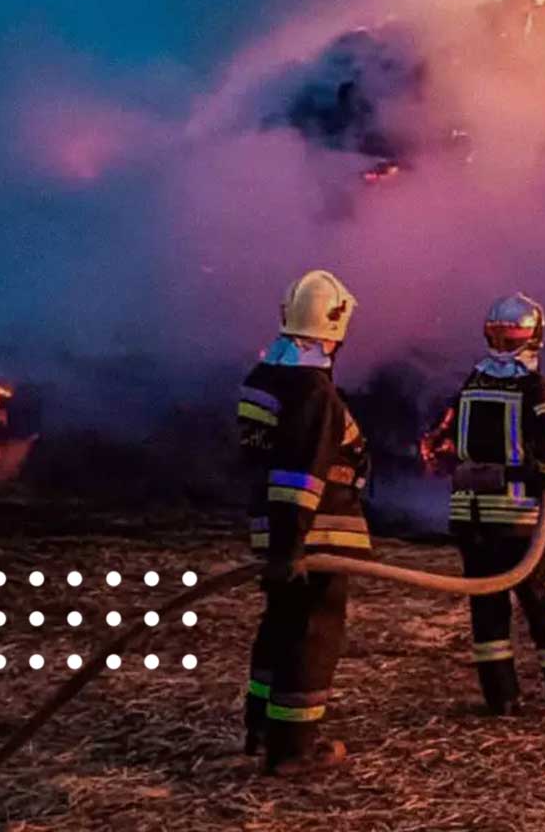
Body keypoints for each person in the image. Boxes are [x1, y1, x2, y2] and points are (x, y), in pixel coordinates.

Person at [236, 270, 373, 774]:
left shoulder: (264, 378)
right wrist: (292, 546)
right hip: (317, 534)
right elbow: (301, 474)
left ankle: (261, 729)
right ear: (335, 326)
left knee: (280, 625)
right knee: (313, 634)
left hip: (278, 529)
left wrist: (278, 544)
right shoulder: (313, 392)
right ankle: (293, 749)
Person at [424, 292, 545, 714]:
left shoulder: (470, 385)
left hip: (469, 515)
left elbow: (445, 438)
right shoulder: (535, 388)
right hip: (516, 515)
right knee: (543, 599)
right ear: (536, 336)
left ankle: (501, 697)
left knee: (487, 605)